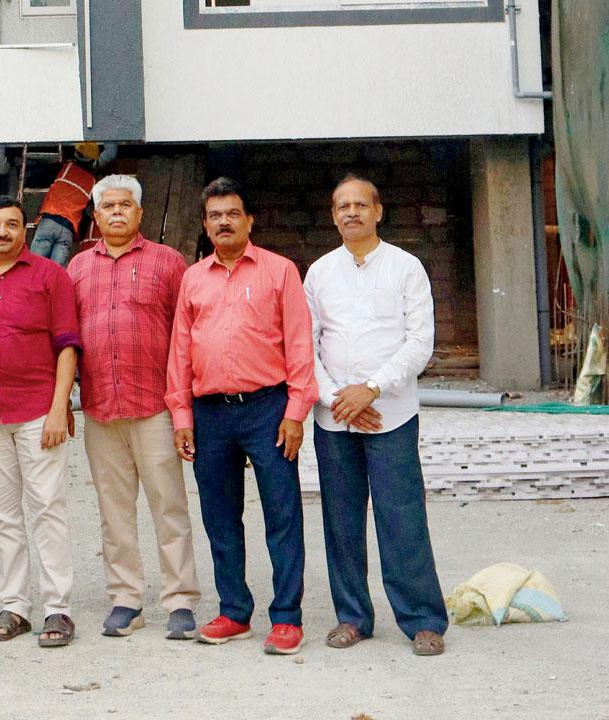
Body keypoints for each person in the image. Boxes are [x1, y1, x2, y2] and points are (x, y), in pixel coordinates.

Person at [165, 177, 319, 655]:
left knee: (282, 513)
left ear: (249, 220)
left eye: (232, 214)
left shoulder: (279, 271)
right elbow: (180, 351)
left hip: (267, 409)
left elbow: (299, 344)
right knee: (220, 516)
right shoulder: (193, 277)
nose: (224, 222)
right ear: (206, 225)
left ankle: (287, 617)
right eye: (215, 216)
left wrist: (295, 412)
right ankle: (234, 611)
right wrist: (181, 416)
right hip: (210, 413)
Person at [304, 174, 448, 656]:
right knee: (341, 521)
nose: (351, 212)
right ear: (333, 214)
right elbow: (307, 344)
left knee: (401, 517)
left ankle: (422, 619)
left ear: (378, 211)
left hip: (391, 415)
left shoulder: (406, 268)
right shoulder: (320, 272)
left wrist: (370, 390)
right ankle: (352, 617)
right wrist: (336, 399)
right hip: (335, 418)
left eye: (360, 204)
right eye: (342, 205)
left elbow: (419, 343)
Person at [67, 175, 203, 641]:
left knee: (169, 505)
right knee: (114, 509)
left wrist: (185, 405)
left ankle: (180, 600)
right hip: (101, 408)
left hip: (154, 407)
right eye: (108, 206)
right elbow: (66, 339)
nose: (117, 212)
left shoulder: (168, 264)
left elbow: (187, 335)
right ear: (96, 215)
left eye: (126, 205)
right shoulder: (78, 268)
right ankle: (126, 598)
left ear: (140, 213)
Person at [0, 196, 81, 648]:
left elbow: (68, 345)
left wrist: (57, 406)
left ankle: (58, 609)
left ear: (25, 229)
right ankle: (14, 606)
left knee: (48, 507)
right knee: (1, 514)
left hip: (37, 412)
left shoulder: (52, 277)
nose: (2, 232)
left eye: (11, 224)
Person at [30, 142, 100, 267]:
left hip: (49, 222)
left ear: (76, 154)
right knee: (57, 273)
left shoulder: (64, 168)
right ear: (92, 161)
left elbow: (35, 179)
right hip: (67, 231)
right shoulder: (92, 183)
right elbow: (90, 210)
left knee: (36, 267)